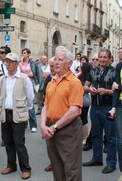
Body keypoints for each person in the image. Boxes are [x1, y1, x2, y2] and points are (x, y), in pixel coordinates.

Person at [41, 46, 84, 181]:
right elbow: (45, 106)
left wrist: (54, 127)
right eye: (55, 59)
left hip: (68, 129)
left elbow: (74, 110)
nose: (56, 62)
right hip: (51, 128)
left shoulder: (74, 83)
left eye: (61, 59)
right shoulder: (51, 82)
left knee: (71, 169)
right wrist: (43, 125)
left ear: (70, 63)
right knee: (57, 167)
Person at [0, 52, 33, 180]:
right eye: (6, 62)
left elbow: (30, 97)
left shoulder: (24, 78)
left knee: (19, 142)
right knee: (8, 141)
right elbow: (1, 95)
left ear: (17, 64)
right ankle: (11, 165)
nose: (7, 64)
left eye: (10, 62)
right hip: (5, 113)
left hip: (18, 113)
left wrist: (25, 110)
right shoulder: (3, 78)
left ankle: (26, 168)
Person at [83, 49, 116, 174]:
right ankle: (97, 159)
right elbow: (85, 86)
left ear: (109, 59)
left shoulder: (114, 72)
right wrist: (89, 89)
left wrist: (106, 91)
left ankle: (111, 163)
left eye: (104, 57)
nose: (102, 59)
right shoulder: (93, 70)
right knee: (96, 135)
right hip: (95, 107)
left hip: (108, 107)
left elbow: (117, 91)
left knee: (110, 137)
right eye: (100, 57)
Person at [19, 48, 39, 132]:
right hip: (21, 85)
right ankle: (24, 123)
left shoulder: (33, 63)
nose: (23, 54)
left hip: (30, 84)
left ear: (28, 54)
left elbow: (33, 74)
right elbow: (18, 72)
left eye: (24, 53)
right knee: (22, 104)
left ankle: (33, 125)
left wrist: (24, 74)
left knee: (30, 105)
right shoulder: (20, 63)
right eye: (22, 53)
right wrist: (20, 62)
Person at [42, 57, 56, 172]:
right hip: (49, 114)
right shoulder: (49, 79)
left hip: (60, 116)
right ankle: (53, 162)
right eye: (50, 66)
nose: (52, 69)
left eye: (53, 66)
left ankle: (60, 163)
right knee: (50, 143)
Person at [109, 54, 122, 172]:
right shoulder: (119, 66)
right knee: (120, 139)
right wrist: (113, 107)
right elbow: (115, 88)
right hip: (120, 105)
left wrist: (119, 86)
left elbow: (118, 86)